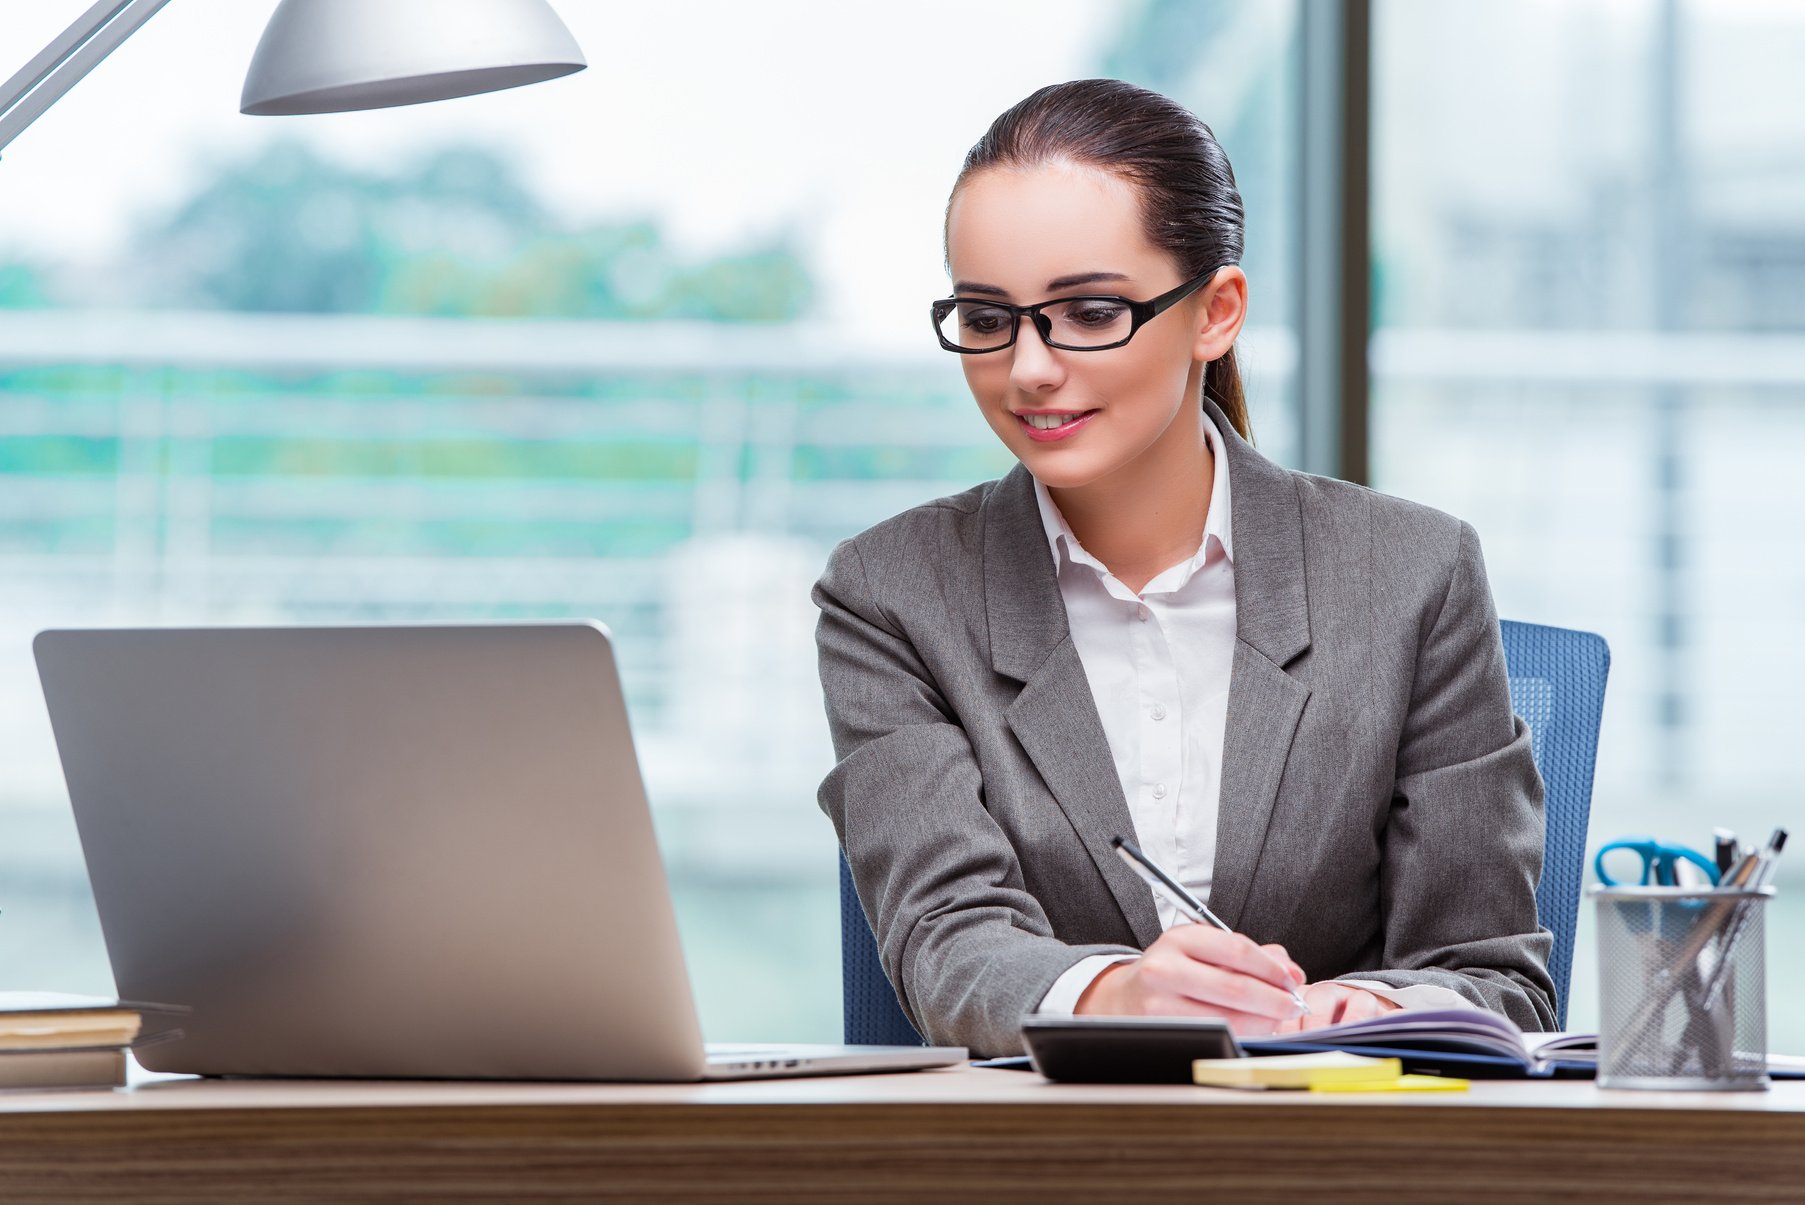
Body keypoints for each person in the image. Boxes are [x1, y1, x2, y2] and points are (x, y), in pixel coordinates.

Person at [811, 78, 1554, 1059]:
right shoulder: (891, 593)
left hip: (1331, 1154)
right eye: (987, 318)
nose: (1027, 367)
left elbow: (1490, 974)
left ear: (1215, 311)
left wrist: (1363, 1013)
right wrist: (1116, 992)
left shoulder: (1412, 573)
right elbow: (945, 938)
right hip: (1031, 1155)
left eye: (1084, 311)